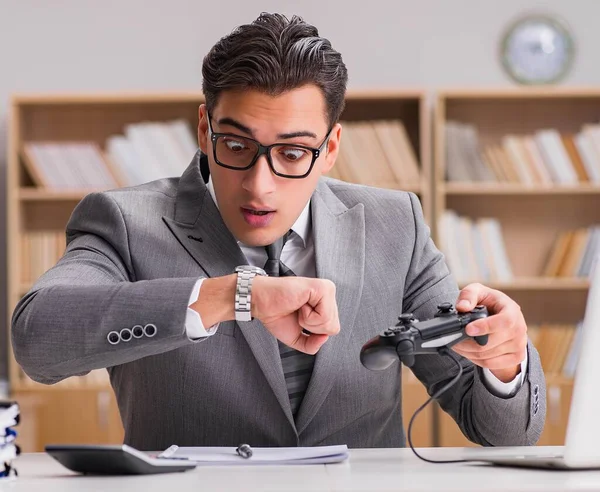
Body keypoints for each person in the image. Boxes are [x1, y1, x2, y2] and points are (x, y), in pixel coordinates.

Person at [11, 12, 545, 450]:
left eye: (292, 153)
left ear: (330, 148)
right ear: (204, 129)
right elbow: (38, 340)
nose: (260, 186)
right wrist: (231, 295)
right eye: (237, 146)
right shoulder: (126, 221)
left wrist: (506, 363)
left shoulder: (394, 225)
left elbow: (505, 433)